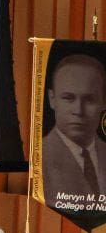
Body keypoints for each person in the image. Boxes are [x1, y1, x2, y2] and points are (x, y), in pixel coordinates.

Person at [43, 53, 106, 201]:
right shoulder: (39, 159)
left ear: (104, 102)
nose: (78, 110)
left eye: (89, 99)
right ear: (52, 99)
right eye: (68, 98)